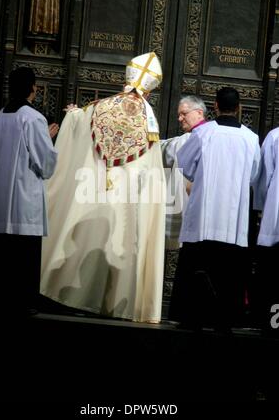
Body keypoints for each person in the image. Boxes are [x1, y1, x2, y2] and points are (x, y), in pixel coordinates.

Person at [40, 52, 166, 323]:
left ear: (127, 77)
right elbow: (152, 171)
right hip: (126, 200)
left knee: (83, 232)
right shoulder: (150, 121)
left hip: (92, 190)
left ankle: (68, 295)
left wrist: (72, 115)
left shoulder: (100, 107)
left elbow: (76, 121)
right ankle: (116, 304)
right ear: (151, 88)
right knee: (122, 240)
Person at [169, 87, 261, 331]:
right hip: (233, 222)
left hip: (203, 220)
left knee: (197, 269)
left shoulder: (203, 133)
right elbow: (254, 175)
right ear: (239, 107)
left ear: (216, 106)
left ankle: (192, 318)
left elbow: (186, 166)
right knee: (229, 275)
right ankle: (225, 321)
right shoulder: (251, 138)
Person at [0, 66, 58, 321]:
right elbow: (46, 164)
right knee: (22, 257)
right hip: (22, 202)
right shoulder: (32, 118)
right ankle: (22, 304)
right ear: (33, 88)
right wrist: (48, 138)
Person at [161, 95, 207, 249]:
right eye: (179, 115)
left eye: (184, 114)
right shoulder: (190, 137)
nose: (180, 119)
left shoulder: (201, 137)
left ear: (199, 113)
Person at [253, 126, 279, 330]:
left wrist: (261, 209)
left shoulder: (275, 136)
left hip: (276, 220)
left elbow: (264, 178)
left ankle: (271, 324)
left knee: (273, 278)